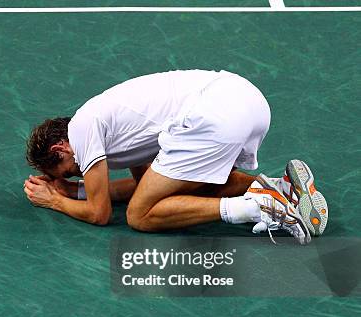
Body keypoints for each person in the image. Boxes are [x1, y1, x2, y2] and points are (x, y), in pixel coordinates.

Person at [23, 70, 328, 244]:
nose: (79, 176)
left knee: (139, 216)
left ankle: (257, 208)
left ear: (59, 149)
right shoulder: (112, 124)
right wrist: (76, 191)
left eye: (69, 172)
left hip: (215, 115)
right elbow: (150, 187)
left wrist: (55, 200)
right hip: (248, 101)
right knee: (180, 189)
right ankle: (280, 188)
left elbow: (100, 214)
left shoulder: (81, 129)